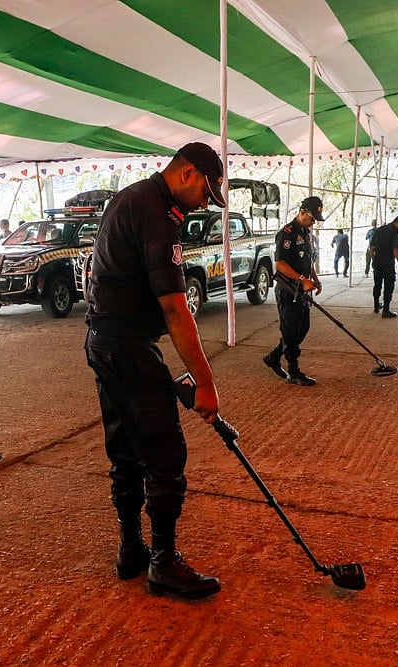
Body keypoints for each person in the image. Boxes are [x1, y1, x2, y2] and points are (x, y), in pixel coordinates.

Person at [84, 141, 226, 599]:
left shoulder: (130, 197)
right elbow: (175, 309)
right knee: (166, 455)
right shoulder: (156, 214)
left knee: (125, 448)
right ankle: (162, 563)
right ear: (187, 174)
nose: (207, 201)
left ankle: (131, 550)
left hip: (105, 341)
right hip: (126, 346)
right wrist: (205, 383)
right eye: (207, 190)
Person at [263, 196, 323, 386]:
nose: (313, 223)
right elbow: (280, 264)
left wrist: (315, 279)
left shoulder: (305, 233)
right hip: (288, 290)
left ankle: (273, 357)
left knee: (303, 328)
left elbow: (308, 260)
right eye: (312, 218)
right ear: (303, 212)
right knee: (290, 329)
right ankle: (293, 370)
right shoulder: (286, 233)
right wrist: (303, 280)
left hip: (301, 289)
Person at [370, 212, 398, 318]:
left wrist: (374, 260)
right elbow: (395, 249)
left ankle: (376, 306)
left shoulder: (379, 230)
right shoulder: (394, 232)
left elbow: (371, 247)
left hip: (377, 261)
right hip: (388, 262)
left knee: (377, 283)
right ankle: (386, 310)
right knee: (389, 284)